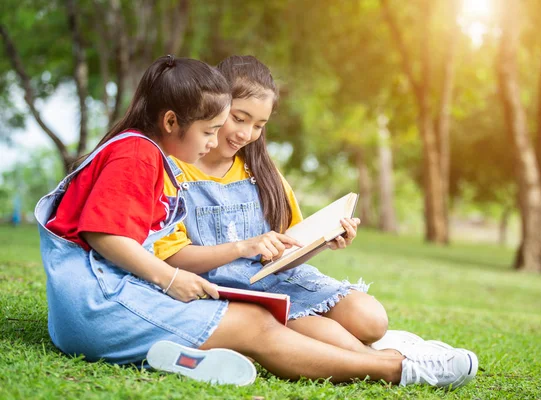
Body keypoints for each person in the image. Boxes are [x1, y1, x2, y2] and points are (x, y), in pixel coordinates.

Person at [36, 55, 476, 389]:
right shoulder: (138, 153)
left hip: (104, 299)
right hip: (97, 304)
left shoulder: (144, 153)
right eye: (212, 129)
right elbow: (103, 234)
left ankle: (390, 356)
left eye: (254, 125)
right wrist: (171, 278)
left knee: (258, 323)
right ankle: (399, 367)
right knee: (254, 324)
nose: (220, 140)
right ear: (172, 120)